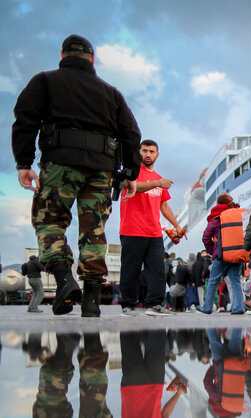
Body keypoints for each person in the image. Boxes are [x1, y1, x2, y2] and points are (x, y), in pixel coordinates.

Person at [12, 34, 141, 317]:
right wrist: (131, 172)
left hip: (60, 164)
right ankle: (92, 298)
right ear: (92, 59)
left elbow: (25, 119)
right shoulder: (112, 92)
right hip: (101, 170)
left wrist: (24, 162)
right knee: (94, 230)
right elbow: (131, 133)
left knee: (50, 222)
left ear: (62, 55)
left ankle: (64, 281)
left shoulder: (44, 80)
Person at [119, 139, 182, 316]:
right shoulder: (132, 172)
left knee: (157, 270)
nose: (148, 154)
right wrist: (157, 184)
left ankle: (154, 305)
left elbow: (164, 206)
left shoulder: (158, 178)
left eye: (151, 151)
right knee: (131, 270)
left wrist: (176, 225)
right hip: (131, 230)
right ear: (139, 152)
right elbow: (131, 187)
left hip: (154, 232)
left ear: (157, 155)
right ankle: (128, 306)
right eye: (145, 151)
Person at [198, 195, 246, 315]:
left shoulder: (216, 218)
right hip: (235, 253)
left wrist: (212, 250)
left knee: (213, 281)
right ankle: (238, 307)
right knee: (235, 281)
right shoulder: (238, 216)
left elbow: (206, 237)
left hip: (220, 255)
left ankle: (207, 307)